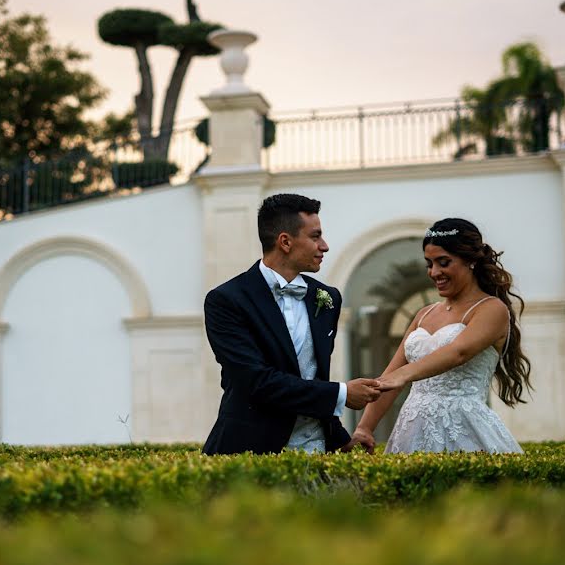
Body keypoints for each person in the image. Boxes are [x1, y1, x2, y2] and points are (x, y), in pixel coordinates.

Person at [202, 193, 384, 455]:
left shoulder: (327, 298)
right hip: (251, 453)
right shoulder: (226, 301)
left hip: (318, 451)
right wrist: (341, 394)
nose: (324, 246)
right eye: (315, 236)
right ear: (285, 242)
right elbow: (255, 382)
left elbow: (312, 377)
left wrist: (340, 438)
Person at [352, 218, 531, 453]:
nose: (434, 272)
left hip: (465, 429)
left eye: (444, 262)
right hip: (411, 430)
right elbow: (389, 379)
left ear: (471, 261)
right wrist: (364, 428)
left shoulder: (491, 309)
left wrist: (405, 375)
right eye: (429, 263)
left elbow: (459, 352)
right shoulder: (424, 314)